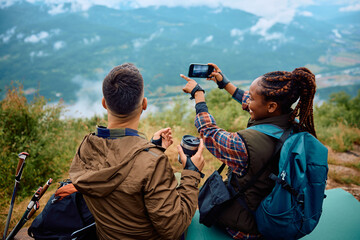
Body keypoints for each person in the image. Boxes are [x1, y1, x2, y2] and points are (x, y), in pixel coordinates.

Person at [69, 63, 205, 240]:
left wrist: (152, 148)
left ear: (104, 103)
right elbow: (174, 228)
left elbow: (118, 168)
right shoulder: (153, 162)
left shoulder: (86, 147)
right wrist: (192, 173)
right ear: (144, 105)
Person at [181, 63, 317, 239]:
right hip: (277, 209)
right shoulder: (294, 126)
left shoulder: (245, 145)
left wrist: (198, 95)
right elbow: (250, 102)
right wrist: (224, 82)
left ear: (271, 106)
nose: (248, 102)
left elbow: (209, 132)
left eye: (252, 98)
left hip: (247, 227)